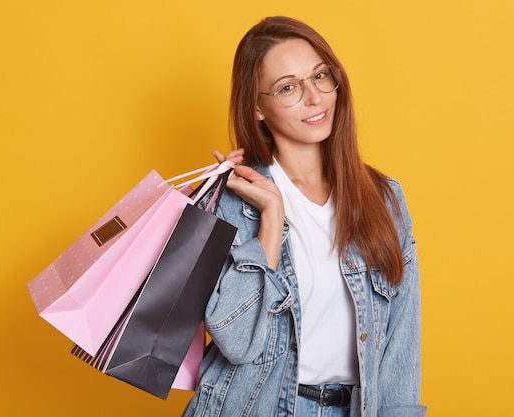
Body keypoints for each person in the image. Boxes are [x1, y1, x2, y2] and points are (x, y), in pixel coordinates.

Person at [182, 16, 426, 417]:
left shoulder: (384, 199)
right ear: (257, 107)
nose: (314, 98)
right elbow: (238, 342)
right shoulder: (227, 204)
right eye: (289, 87)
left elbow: (401, 346)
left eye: (320, 76)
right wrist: (271, 219)